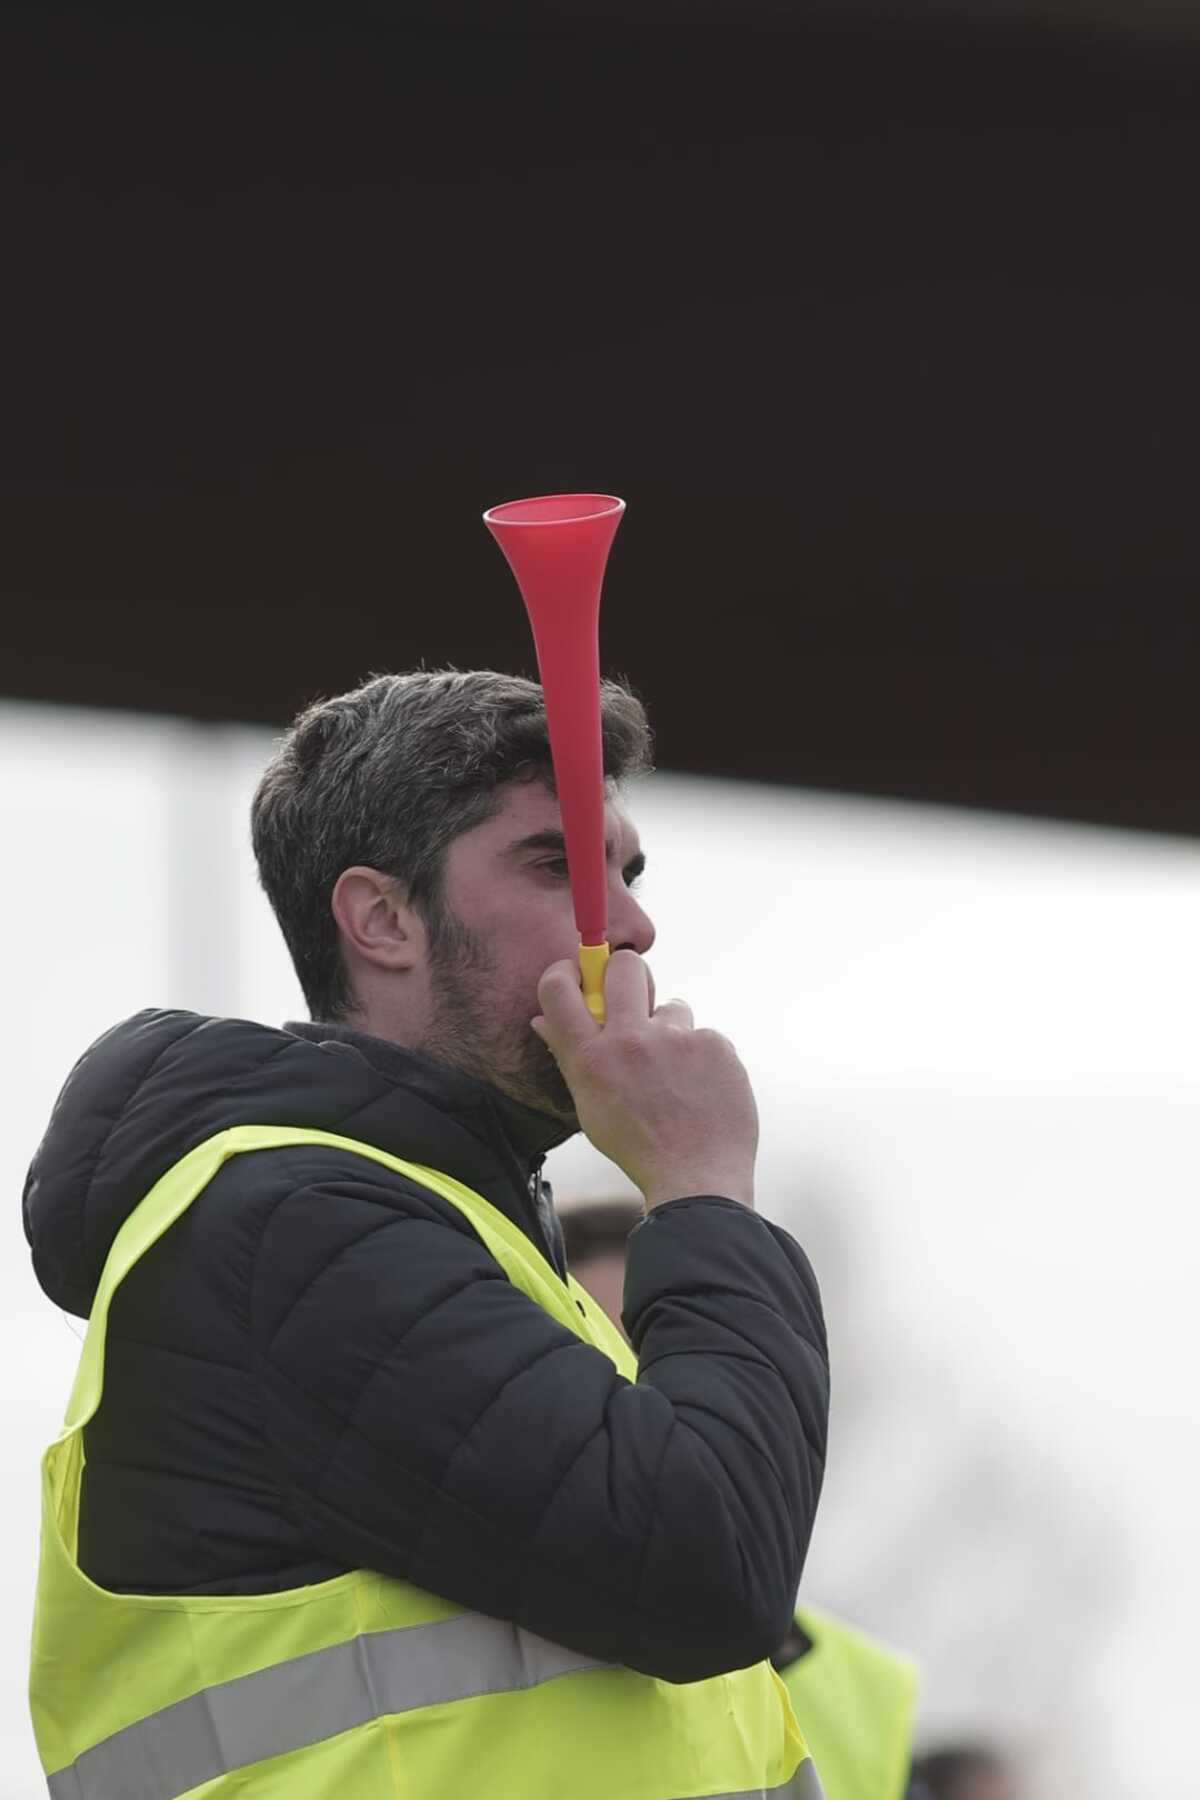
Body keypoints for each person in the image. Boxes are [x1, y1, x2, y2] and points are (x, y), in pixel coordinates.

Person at [25, 668, 831, 1799]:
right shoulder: (293, 1227)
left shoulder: (449, 1232)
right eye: (558, 865)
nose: (634, 924)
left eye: (629, 873)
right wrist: (701, 1186)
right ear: (383, 919)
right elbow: (706, 1566)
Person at [559, 1196, 920, 1800]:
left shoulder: (862, 1687)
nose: (632, 1387)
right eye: (595, 1351)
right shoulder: (476, 1649)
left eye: (654, 1353)